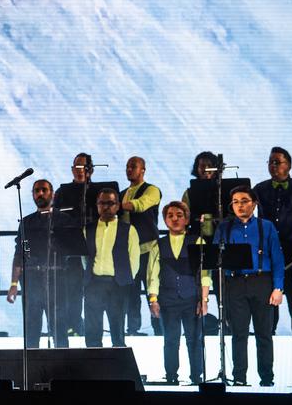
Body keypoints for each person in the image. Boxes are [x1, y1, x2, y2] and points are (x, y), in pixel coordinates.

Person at [212, 186, 284, 386]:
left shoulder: (266, 226)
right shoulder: (224, 228)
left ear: (254, 203)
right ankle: (239, 378)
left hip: (262, 282)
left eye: (244, 200)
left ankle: (267, 378)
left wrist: (278, 288)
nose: (240, 205)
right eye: (235, 201)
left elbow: (278, 259)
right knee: (238, 333)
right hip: (234, 283)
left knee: (264, 333)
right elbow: (215, 259)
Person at [147, 201, 209, 385]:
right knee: (171, 340)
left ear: (187, 219)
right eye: (170, 215)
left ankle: (196, 378)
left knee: (195, 340)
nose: (174, 219)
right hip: (167, 300)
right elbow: (152, 274)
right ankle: (171, 377)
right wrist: (153, 299)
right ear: (165, 220)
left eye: (179, 215)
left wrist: (204, 299)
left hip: (192, 299)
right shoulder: (158, 244)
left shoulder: (197, 241)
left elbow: (205, 273)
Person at [253, 146, 292, 336]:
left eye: (277, 162)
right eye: (270, 162)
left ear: (289, 165)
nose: (273, 165)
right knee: (269, 306)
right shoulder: (259, 189)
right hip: (268, 256)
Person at [7, 178, 70, 347]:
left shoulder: (64, 219)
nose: (40, 193)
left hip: (57, 280)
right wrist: (14, 283)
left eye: (44, 190)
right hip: (32, 281)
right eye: (36, 191)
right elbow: (18, 254)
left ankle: (63, 370)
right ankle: (31, 370)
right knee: (31, 329)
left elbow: (74, 252)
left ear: (52, 194)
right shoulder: (26, 222)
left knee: (59, 329)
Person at [83, 187, 139, 348]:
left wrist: (124, 280)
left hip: (117, 285)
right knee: (92, 330)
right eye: (102, 203)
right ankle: (93, 367)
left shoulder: (128, 230)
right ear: (97, 205)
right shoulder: (88, 229)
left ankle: (118, 369)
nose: (106, 207)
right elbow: (84, 258)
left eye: (110, 203)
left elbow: (134, 260)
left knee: (118, 330)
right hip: (94, 283)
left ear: (118, 205)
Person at [51, 153, 94, 338]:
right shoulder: (62, 192)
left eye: (82, 167)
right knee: (73, 290)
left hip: (95, 249)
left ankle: (92, 329)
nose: (79, 171)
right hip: (72, 251)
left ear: (90, 170)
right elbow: (55, 217)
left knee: (94, 291)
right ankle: (74, 326)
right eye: (75, 167)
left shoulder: (98, 192)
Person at [120, 156, 161, 336]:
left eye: (133, 166)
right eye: (128, 166)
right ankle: (133, 330)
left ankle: (160, 329)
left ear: (143, 169)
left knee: (154, 290)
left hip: (149, 248)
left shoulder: (152, 190)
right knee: (131, 292)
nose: (129, 169)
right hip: (129, 252)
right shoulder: (122, 193)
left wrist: (117, 206)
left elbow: (140, 205)